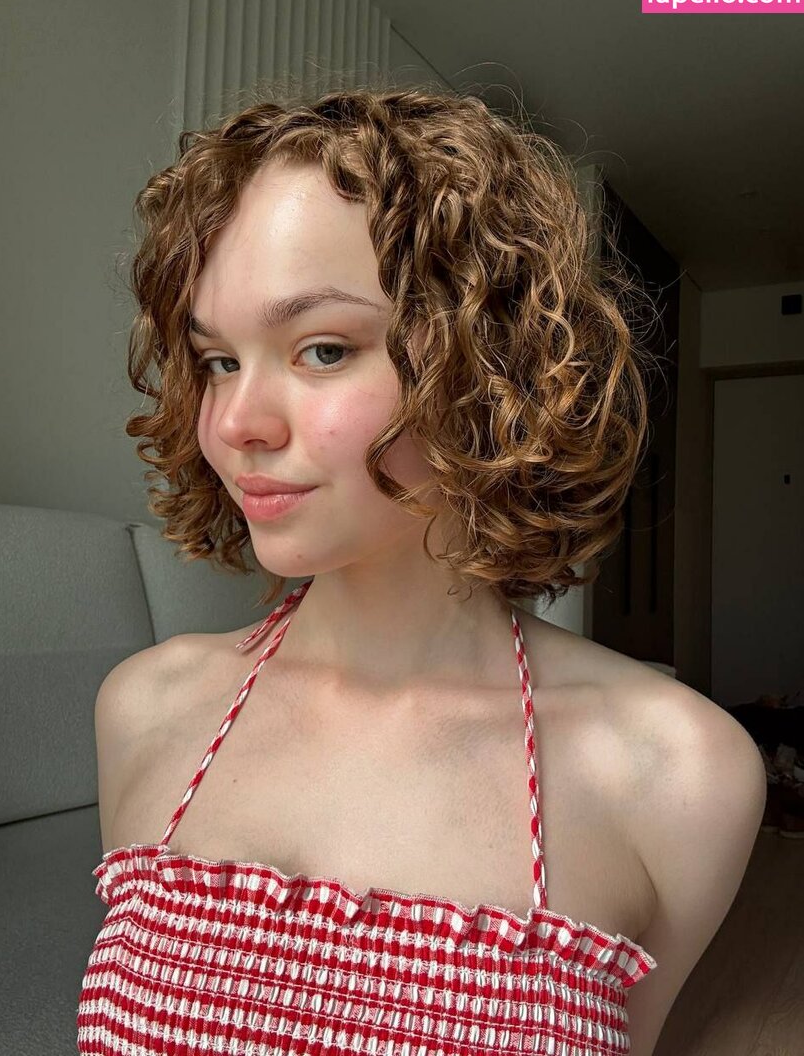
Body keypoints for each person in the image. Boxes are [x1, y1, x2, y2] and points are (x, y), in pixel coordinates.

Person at [77, 86, 766, 1056]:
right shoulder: (145, 710)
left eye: (322, 350)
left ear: (486, 367)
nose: (236, 423)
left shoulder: (678, 776)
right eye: (219, 360)